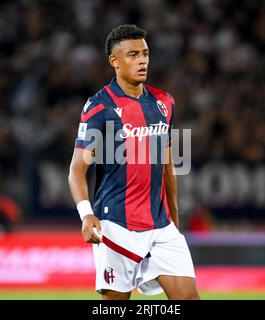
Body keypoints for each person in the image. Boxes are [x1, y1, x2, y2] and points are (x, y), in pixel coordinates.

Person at [68, 24, 199, 300]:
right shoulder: (99, 107)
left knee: (188, 298)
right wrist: (86, 214)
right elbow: (77, 169)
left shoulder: (164, 103)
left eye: (145, 53)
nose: (142, 61)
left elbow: (167, 166)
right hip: (116, 225)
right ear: (114, 61)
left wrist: (174, 217)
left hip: (161, 226)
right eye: (132, 55)